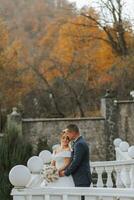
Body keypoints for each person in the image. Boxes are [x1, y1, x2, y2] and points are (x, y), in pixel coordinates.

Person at [59, 124, 91, 200]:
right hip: (80, 178)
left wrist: (65, 173)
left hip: (82, 178)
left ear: (72, 133)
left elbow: (76, 162)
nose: (67, 136)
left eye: (68, 134)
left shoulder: (79, 144)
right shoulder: (78, 142)